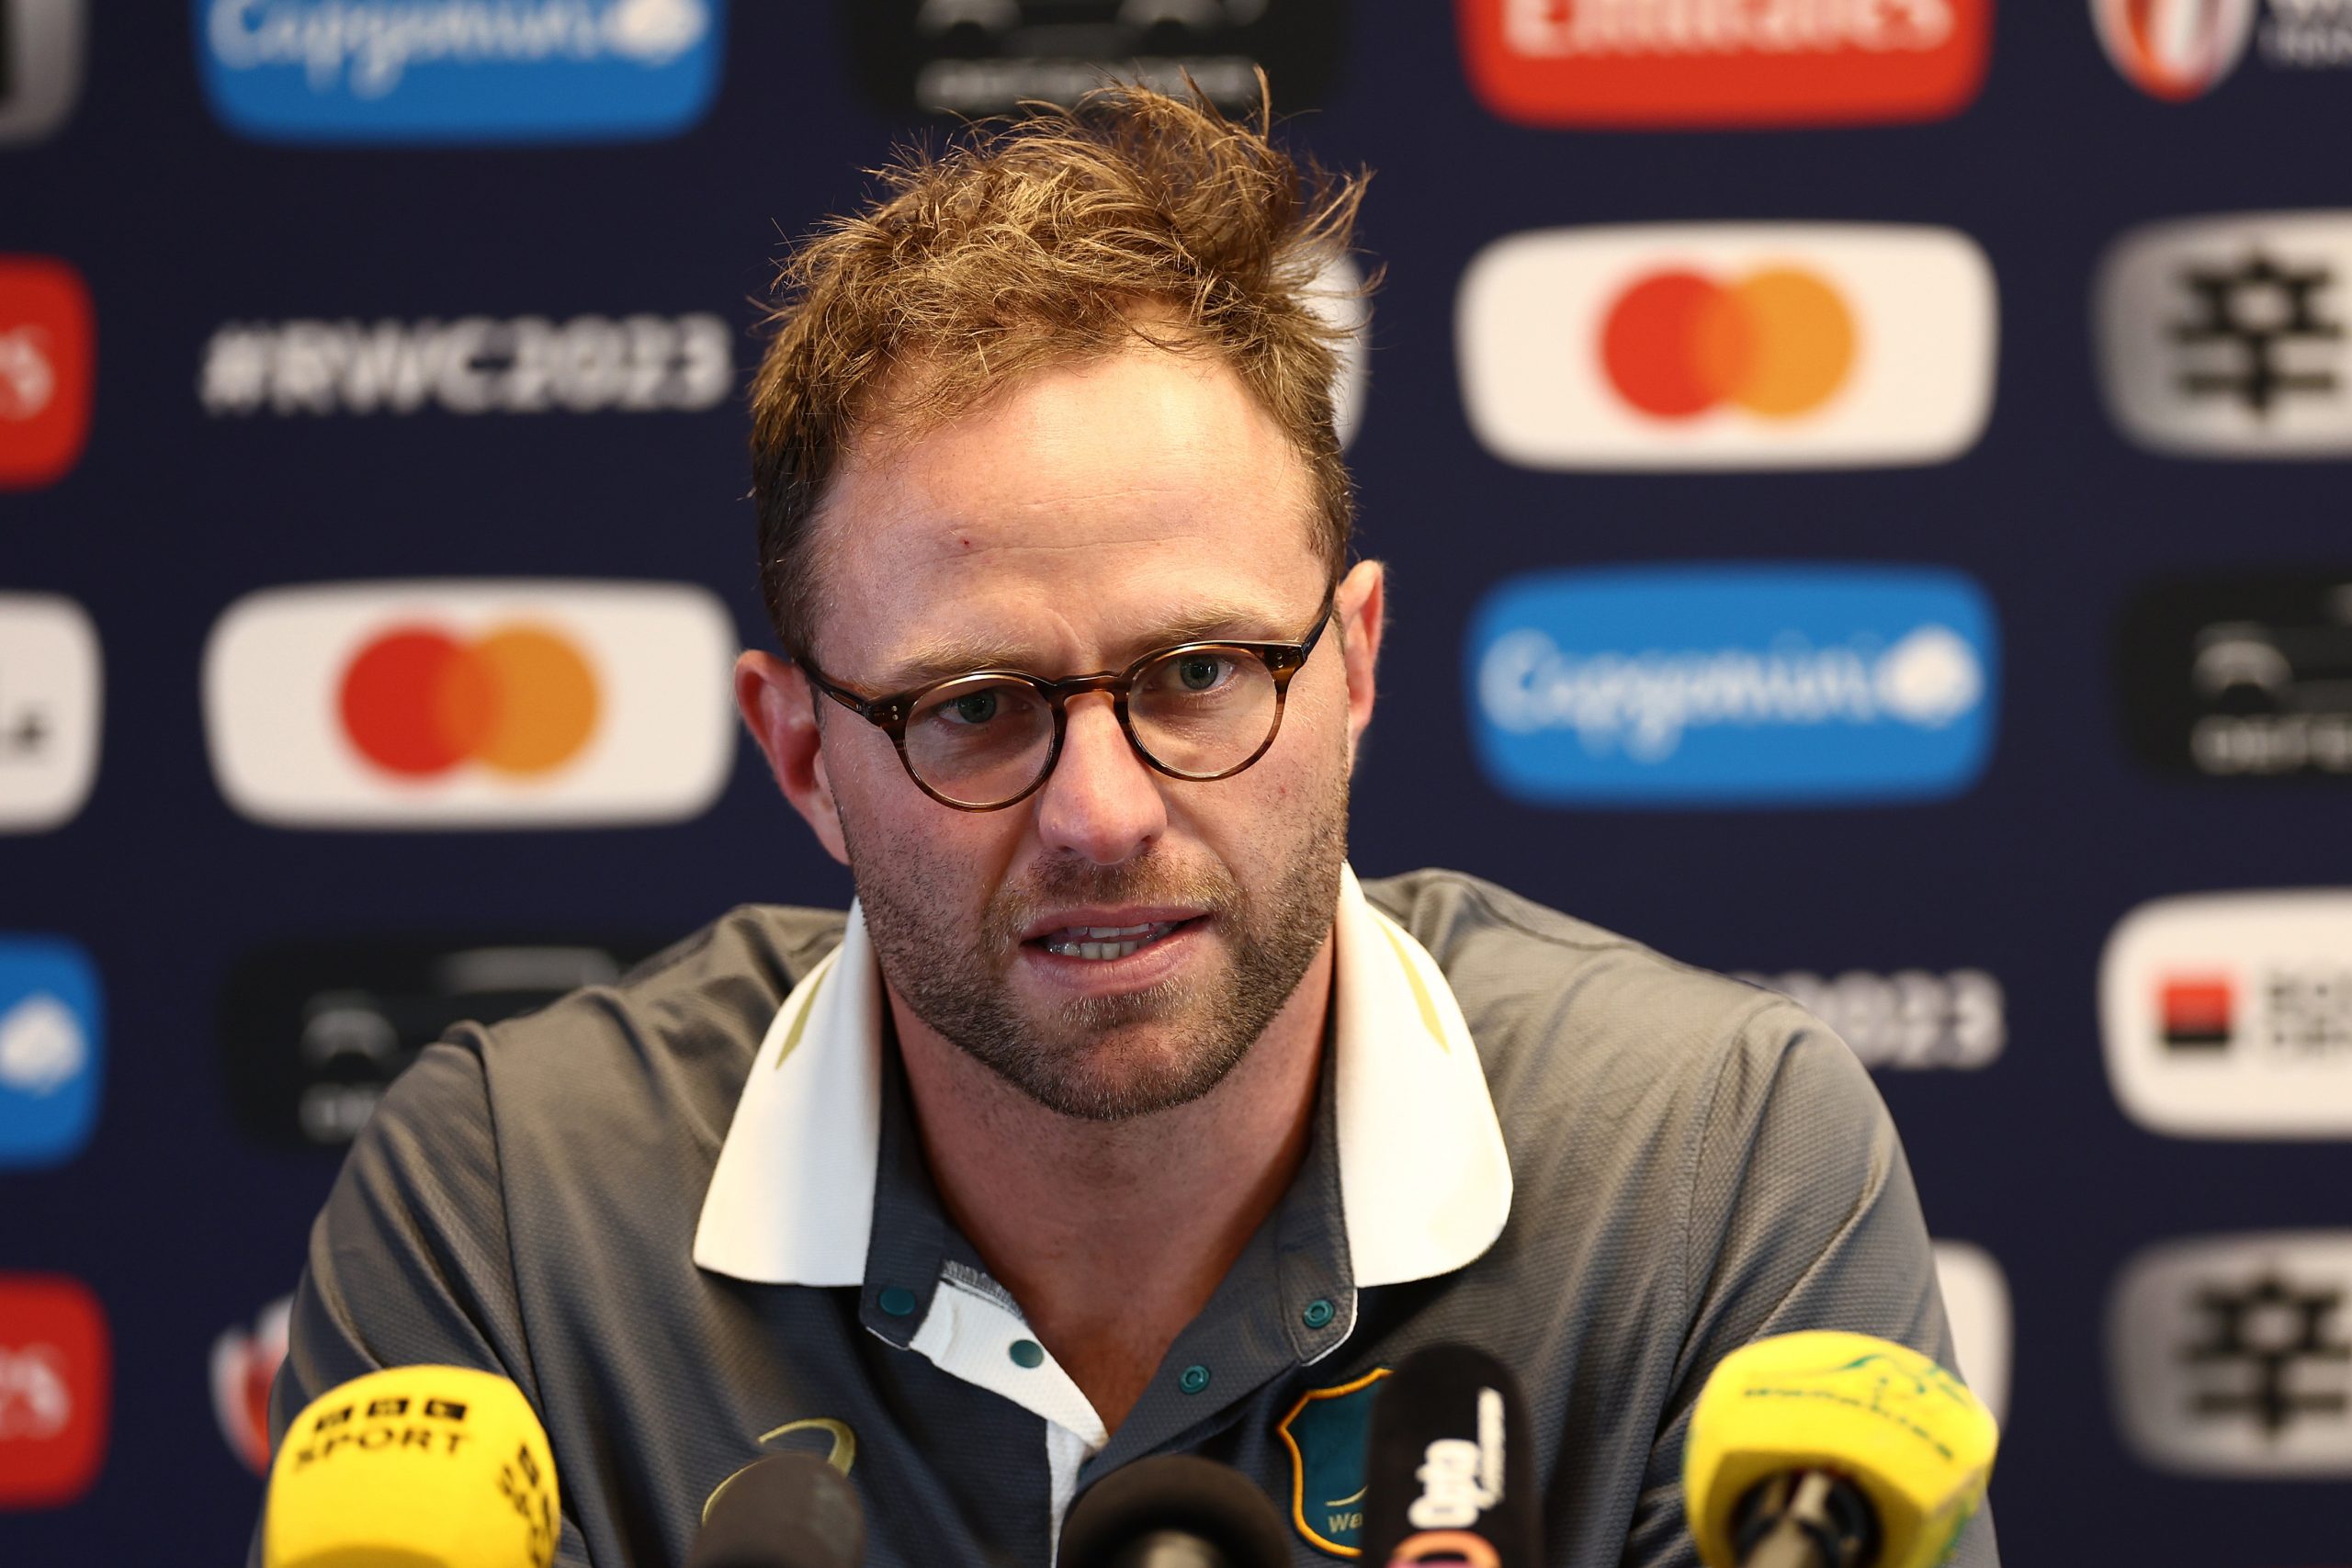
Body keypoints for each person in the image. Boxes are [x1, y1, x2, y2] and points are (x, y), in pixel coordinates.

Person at [258, 83, 1999, 1567]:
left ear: (1357, 665)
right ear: (802, 758)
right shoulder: (508, 1210)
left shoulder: (1707, 1160)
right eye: (974, 707)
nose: (1102, 814)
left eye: (1195, 674)